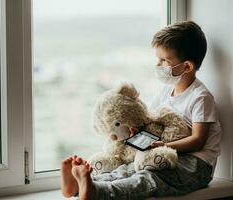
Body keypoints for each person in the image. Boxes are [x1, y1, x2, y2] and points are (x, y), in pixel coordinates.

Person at [60, 21, 222, 200]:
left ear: (187, 67)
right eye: (157, 59)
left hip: (195, 165)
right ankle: (80, 185)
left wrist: (164, 146)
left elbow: (198, 140)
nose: (158, 65)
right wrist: (139, 134)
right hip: (166, 155)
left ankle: (97, 192)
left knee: (148, 179)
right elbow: (151, 120)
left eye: (164, 61)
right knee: (128, 169)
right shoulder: (167, 90)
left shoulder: (201, 97)